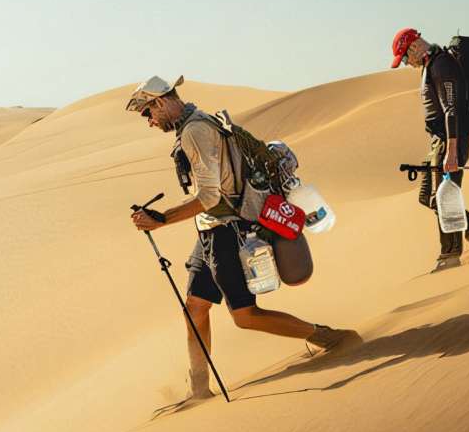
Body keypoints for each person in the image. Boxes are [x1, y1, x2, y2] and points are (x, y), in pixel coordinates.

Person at [127, 75, 362, 399]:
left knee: (245, 317)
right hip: (210, 230)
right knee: (195, 308)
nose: (150, 122)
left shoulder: (195, 131)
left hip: (226, 232)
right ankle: (198, 390)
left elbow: (209, 196)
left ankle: (328, 337)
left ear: (160, 102)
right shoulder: (196, 124)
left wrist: (161, 220)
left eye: (147, 114)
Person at [391, 28, 469, 272]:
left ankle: (450, 255)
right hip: (438, 142)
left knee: (444, 197)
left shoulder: (442, 65)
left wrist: (451, 152)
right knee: (428, 196)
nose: (406, 64)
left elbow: (452, 109)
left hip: (450, 140)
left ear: (414, 48)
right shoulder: (430, 65)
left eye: (405, 58)